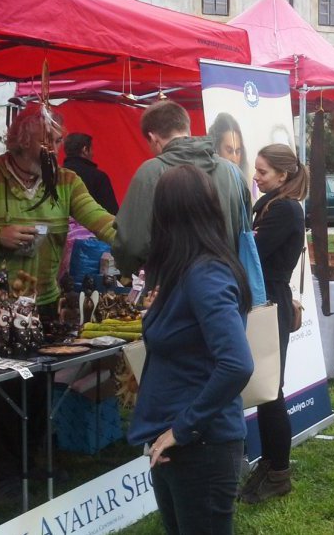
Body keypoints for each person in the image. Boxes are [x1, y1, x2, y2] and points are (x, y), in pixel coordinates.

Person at [0, 108, 116, 499]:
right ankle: (3, 471)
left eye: (56, 141)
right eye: (49, 142)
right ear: (24, 142)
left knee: (36, 387)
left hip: (42, 304)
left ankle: (30, 462)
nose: (56, 148)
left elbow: (99, 218)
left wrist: (134, 239)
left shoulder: (66, 181)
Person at [128, 164, 253, 535]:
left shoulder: (205, 274)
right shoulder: (184, 270)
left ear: (167, 215)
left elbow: (236, 364)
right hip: (180, 444)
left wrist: (182, 429)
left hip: (202, 446)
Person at [238, 144, 308, 504]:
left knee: (270, 391)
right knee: (266, 391)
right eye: (256, 170)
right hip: (266, 299)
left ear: (283, 175)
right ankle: (269, 461)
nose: (256, 176)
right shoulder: (272, 205)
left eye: (263, 172)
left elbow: (251, 253)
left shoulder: (283, 209)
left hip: (270, 302)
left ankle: (279, 471)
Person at [113, 101, 250, 278]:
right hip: (228, 288)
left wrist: (129, 271)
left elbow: (131, 245)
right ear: (187, 129)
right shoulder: (234, 173)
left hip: (172, 292)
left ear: (154, 139)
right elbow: (246, 237)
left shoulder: (150, 173)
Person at [63, 133, 119, 214]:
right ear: (85, 150)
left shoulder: (56, 176)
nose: (93, 153)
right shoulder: (98, 177)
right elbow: (111, 213)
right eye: (92, 149)